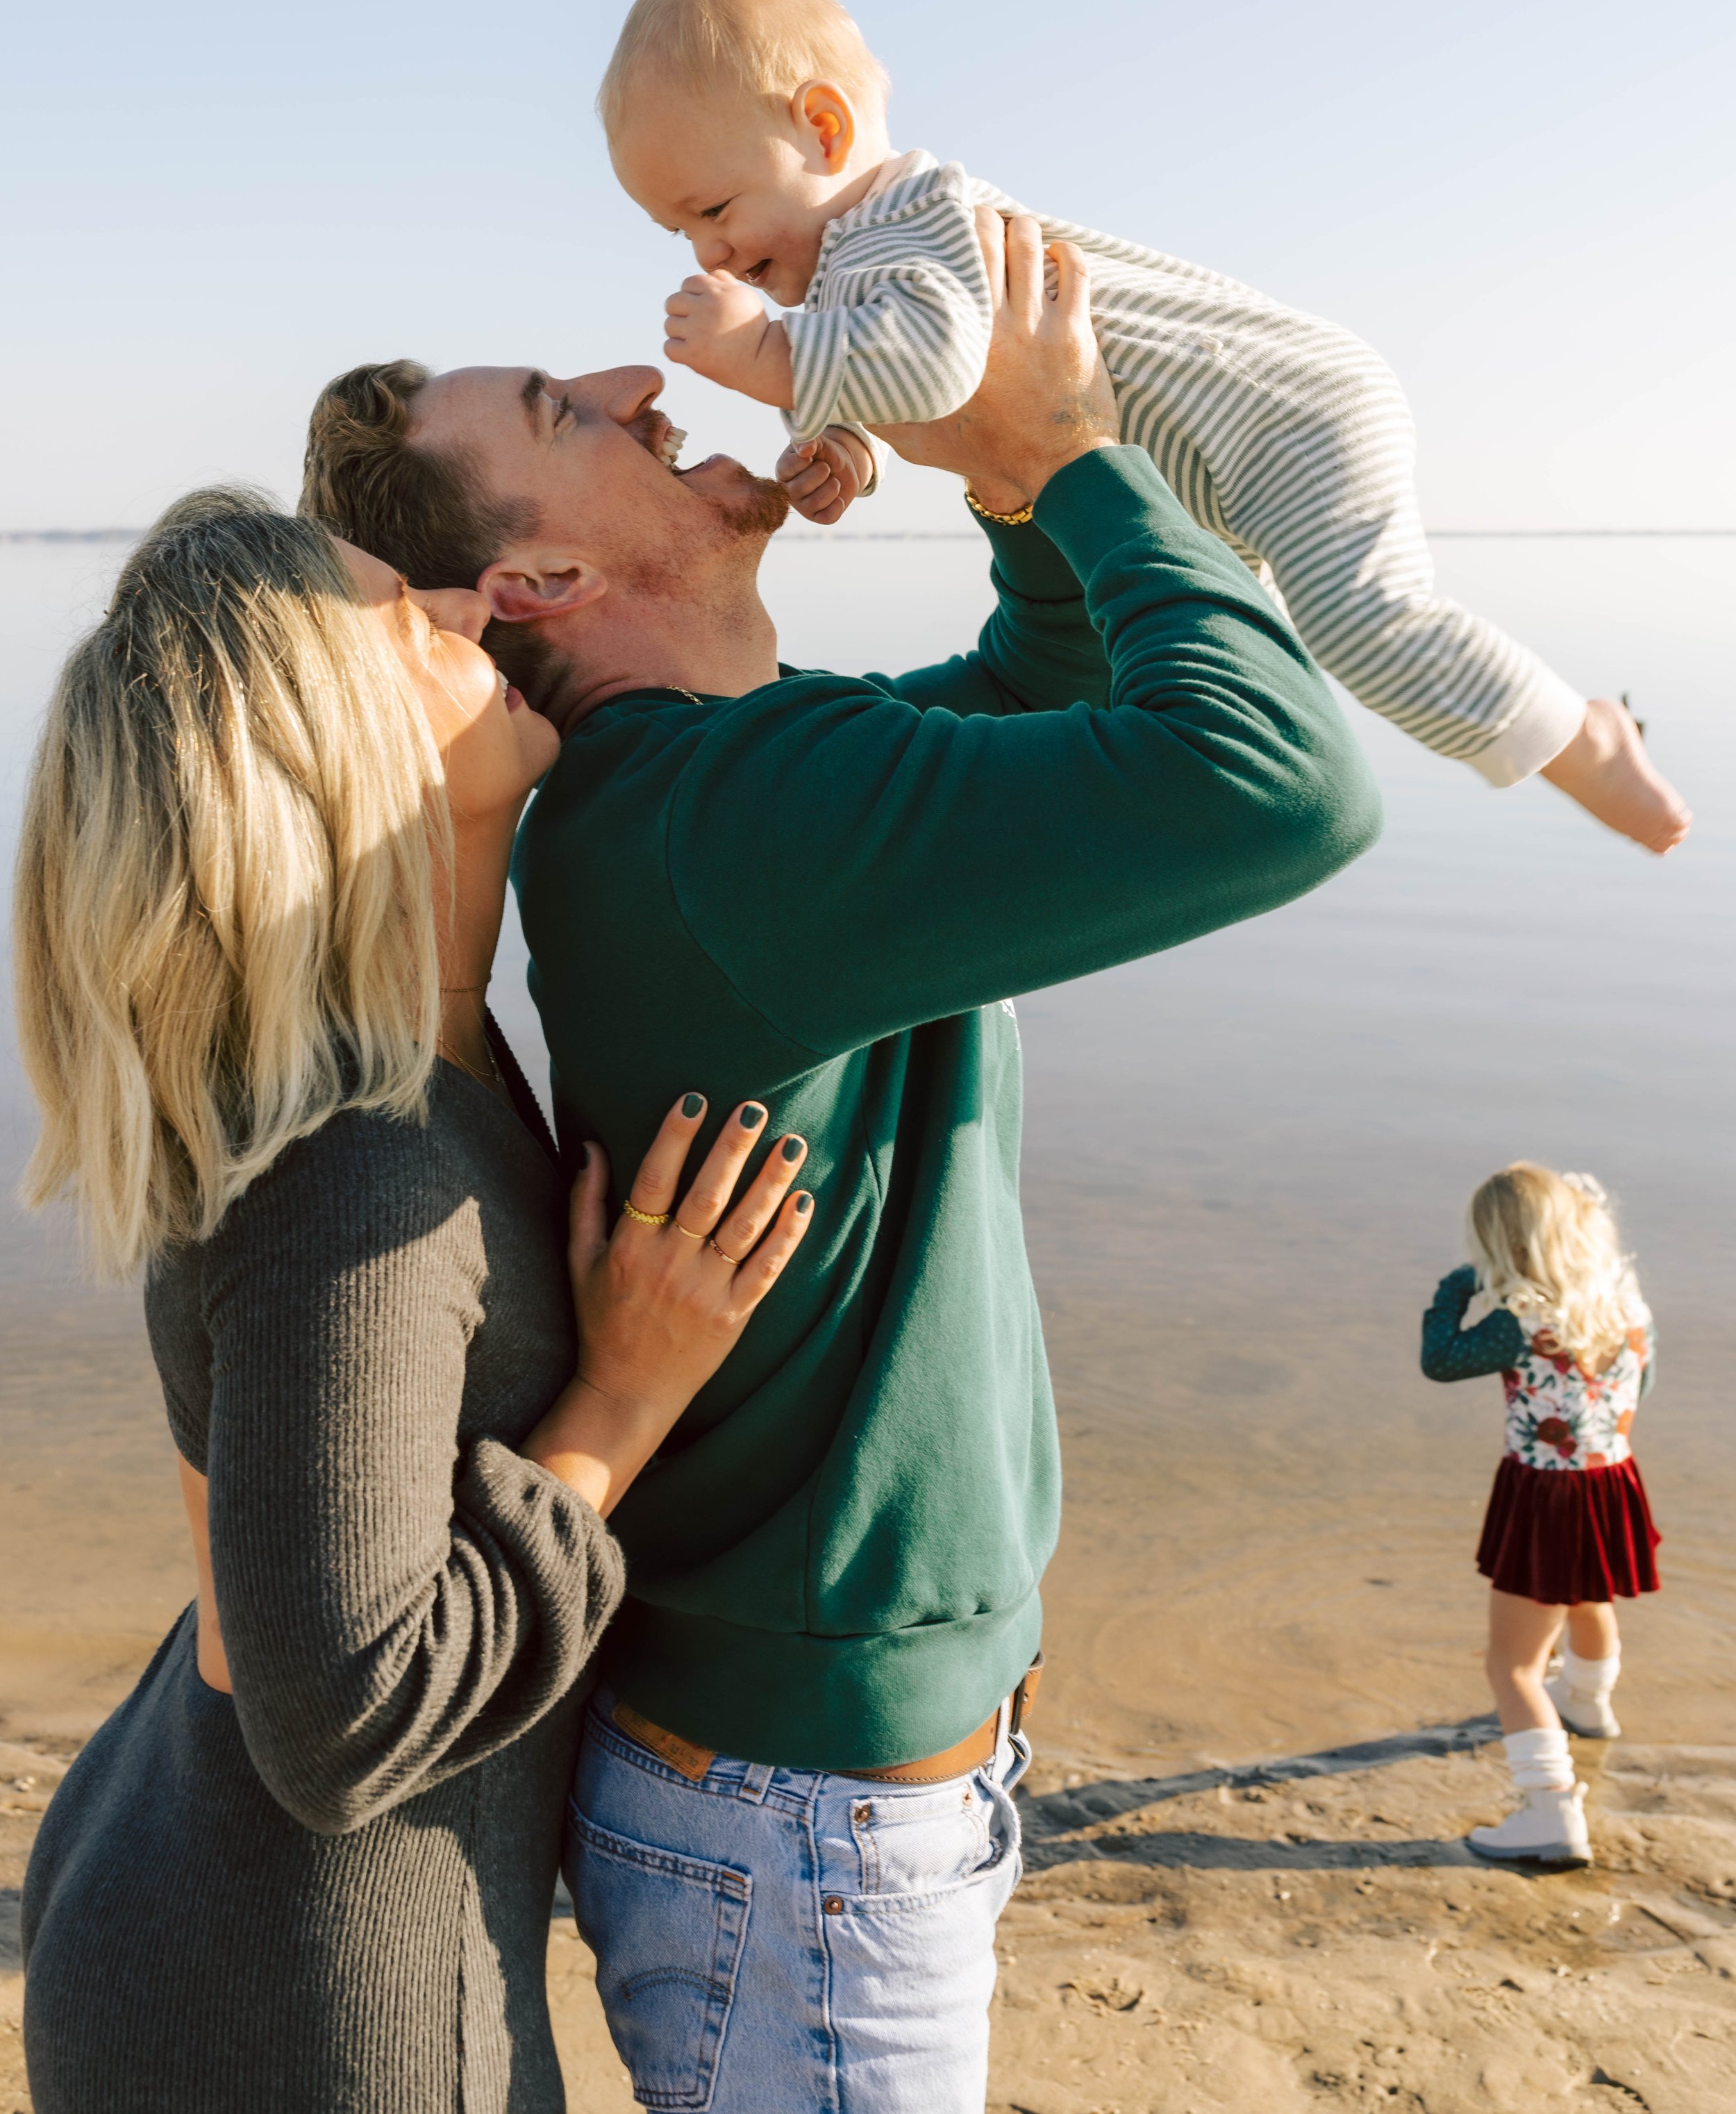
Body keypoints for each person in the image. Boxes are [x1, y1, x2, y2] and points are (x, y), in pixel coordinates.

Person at [300, 212, 1381, 2109]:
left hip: (794, 1790)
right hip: (796, 1819)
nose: (642, 380)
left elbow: (1054, 685)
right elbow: (1276, 778)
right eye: (569, 405)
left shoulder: (745, 782)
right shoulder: (726, 830)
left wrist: (985, 457)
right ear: (540, 571)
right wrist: (1062, 458)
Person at [15, 487, 813, 2114]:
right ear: (328, 746)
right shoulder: (357, 1163)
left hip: (215, 1895)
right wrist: (623, 1399)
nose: (470, 610)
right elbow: (342, 1717)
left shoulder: (396, 1068)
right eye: (407, 615)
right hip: (305, 2001)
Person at [598, 0, 1690, 858]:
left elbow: (933, 361)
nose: (710, 250)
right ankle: (1571, 733)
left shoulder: (908, 213)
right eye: (678, 233)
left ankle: (1583, 739)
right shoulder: (856, 272)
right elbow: (913, 380)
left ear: (825, 131)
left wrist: (767, 357)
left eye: (715, 205)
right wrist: (850, 452)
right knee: (1179, 665)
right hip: (1208, 463)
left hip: (1280, 413)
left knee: (1367, 624)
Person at [1421, 1160, 1659, 1869]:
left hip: (1545, 1491)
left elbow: (1440, 1360)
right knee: (1588, 1598)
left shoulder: (1516, 1321)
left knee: (1513, 1666)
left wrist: (1453, 1288)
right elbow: (1644, 1382)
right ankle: (1587, 1703)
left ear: (1500, 1246)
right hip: (1609, 1481)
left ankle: (1548, 1811)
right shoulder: (1625, 1306)